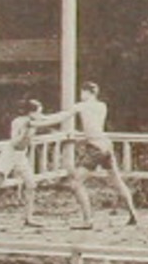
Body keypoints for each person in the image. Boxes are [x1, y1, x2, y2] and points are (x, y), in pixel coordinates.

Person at [47, 82, 138, 229]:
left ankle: (88, 220)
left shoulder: (82, 106)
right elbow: (92, 127)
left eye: (82, 92)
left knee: (75, 183)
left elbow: (60, 117)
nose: (81, 95)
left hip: (96, 147)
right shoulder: (102, 106)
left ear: (88, 92)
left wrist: (38, 120)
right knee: (117, 181)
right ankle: (133, 214)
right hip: (106, 145)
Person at [0, 98, 45, 227]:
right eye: (38, 112)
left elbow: (52, 118)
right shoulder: (19, 122)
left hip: (21, 155)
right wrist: (26, 132)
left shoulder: (34, 121)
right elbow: (15, 143)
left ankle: (28, 217)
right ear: (30, 112)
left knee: (31, 184)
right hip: (9, 154)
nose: (39, 115)